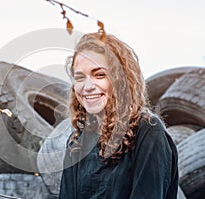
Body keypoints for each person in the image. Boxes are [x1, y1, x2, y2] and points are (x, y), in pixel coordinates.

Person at [58, 32, 179, 199]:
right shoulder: (77, 143)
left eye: (99, 75)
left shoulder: (148, 132)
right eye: (79, 77)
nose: (87, 86)